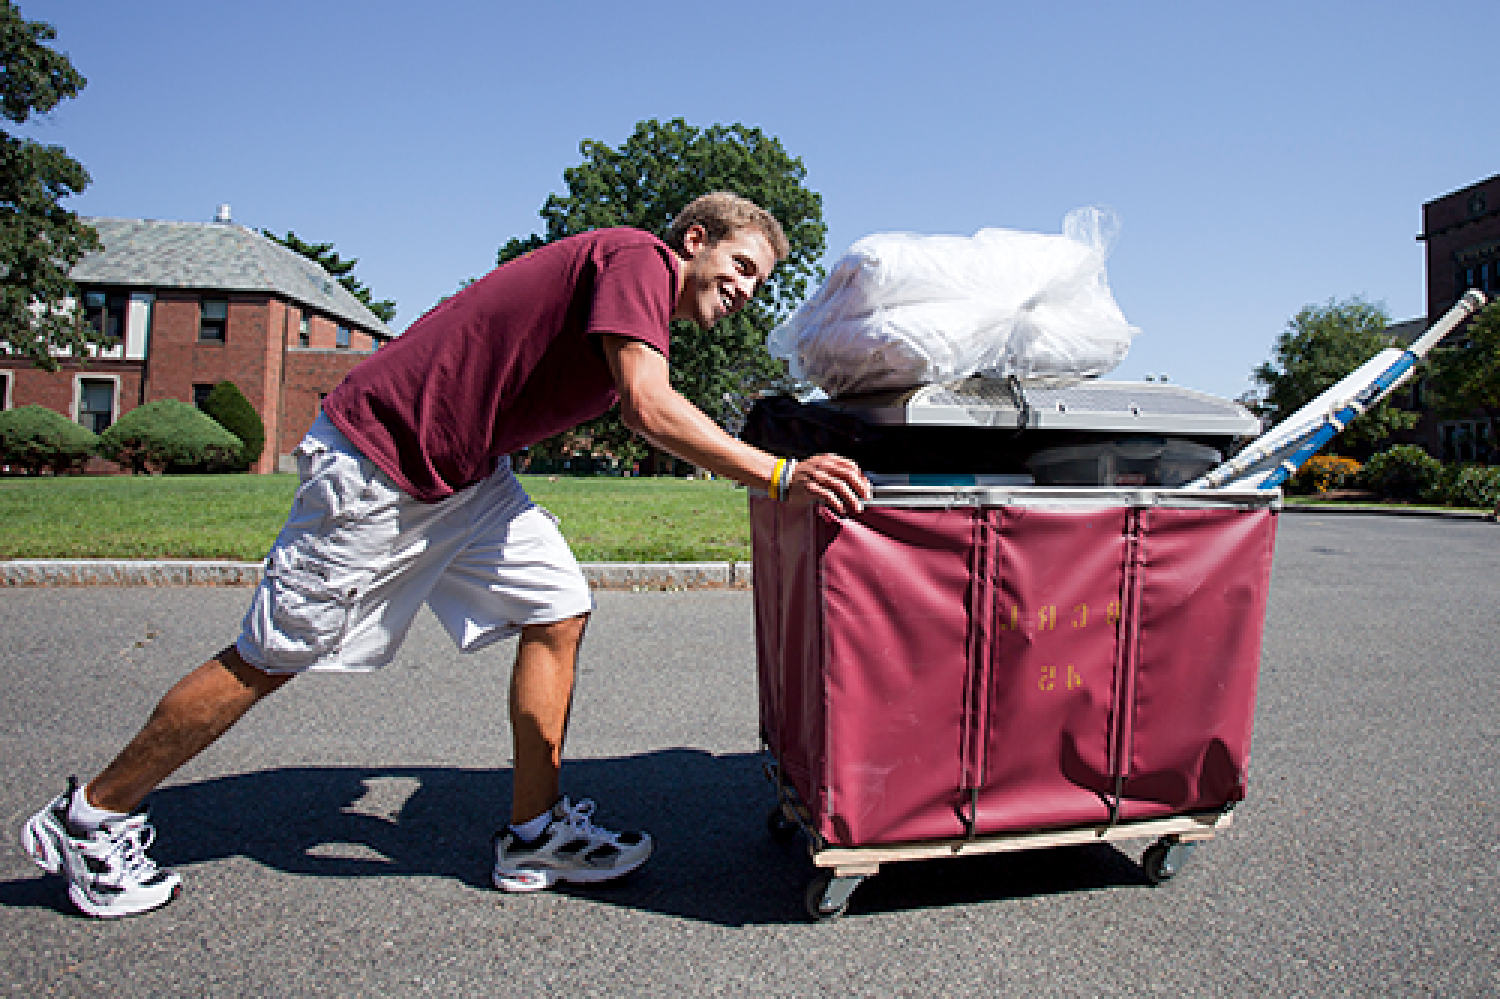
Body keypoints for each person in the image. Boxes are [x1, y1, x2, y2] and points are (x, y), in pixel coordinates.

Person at [21, 192, 871, 918]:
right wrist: (779, 472)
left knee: (558, 605)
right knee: (271, 654)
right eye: (743, 264)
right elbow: (647, 409)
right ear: (696, 240)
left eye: (759, 280)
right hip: (383, 463)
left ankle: (534, 835)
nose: (747, 289)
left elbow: (635, 401)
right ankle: (91, 815)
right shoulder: (639, 260)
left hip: (466, 476)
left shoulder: (639, 299)